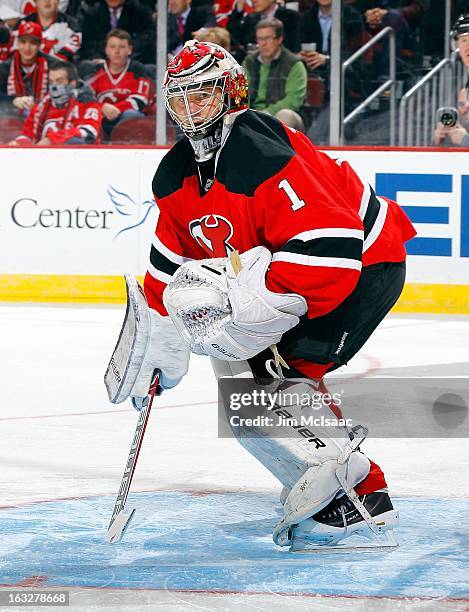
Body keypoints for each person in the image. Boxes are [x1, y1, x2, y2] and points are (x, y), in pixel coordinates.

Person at [105, 40, 416, 551]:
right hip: (305, 272)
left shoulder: (263, 150)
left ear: (232, 92)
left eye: (201, 96)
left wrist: (251, 310)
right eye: (178, 99)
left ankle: (360, 498)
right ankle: (331, 482)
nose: (188, 111)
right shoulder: (176, 174)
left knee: (279, 380)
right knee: (247, 401)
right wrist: (159, 338)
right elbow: (167, 264)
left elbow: (331, 251)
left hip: (365, 264)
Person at [8, 60, 102, 145]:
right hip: (42, 159)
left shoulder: (87, 103)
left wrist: (51, 140)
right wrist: (19, 144)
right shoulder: (40, 107)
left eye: (59, 81)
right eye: (51, 81)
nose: (54, 86)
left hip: (78, 159)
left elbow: (89, 131)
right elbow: (27, 135)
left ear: (72, 83)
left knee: (75, 142)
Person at [86, 28, 152, 140]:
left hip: (125, 118)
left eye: (122, 47)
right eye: (112, 47)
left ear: (129, 49)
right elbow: (85, 98)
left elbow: (140, 101)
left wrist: (115, 109)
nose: (117, 51)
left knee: (132, 115)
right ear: (106, 50)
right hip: (101, 117)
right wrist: (101, 108)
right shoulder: (95, 71)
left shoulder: (137, 70)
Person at [243, 18, 307, 130]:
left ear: (280, 39)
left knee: (285, 114)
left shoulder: (293, 64)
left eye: (267, 38)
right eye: (259, 39)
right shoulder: (249, 62)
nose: (262, 43)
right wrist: (249, 116)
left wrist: (265, 114)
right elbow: (241, 94)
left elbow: (293, 101)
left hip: (280, 117)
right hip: (252, 116)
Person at [79, 0, 154, 64]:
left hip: (133, 62)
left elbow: (144, 43)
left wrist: (121, 60)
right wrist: (100, 60)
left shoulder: (141, 13)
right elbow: (88, 45)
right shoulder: (91, 14)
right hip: (100, 64)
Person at [2, 21, 51, 114]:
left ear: (40, 44)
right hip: (11, 117)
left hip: (45, 115)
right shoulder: (4, 68)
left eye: (32, 43)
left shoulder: (53, 66)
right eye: (23, 42)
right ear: (17, 43)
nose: (27, 48)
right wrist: (13, 100)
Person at [228, 0, 300, 59]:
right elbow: (233, 39)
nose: (253, 1)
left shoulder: (291, 17)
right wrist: (239, 11)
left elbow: (294, 48)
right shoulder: (250, 19)